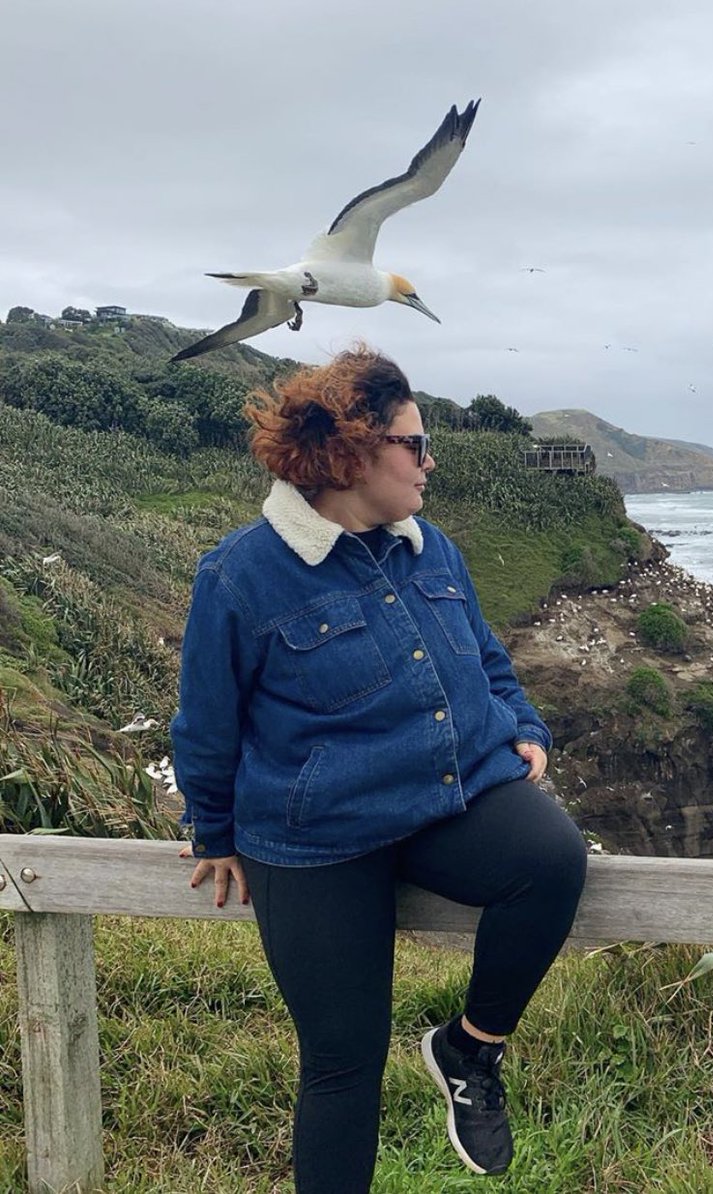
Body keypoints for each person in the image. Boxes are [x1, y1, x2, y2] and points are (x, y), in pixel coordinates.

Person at [171, 345, 588, 1188]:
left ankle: (469, 1052)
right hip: (318, 839)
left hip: (447, 795)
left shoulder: (431, 549)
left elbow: (485, 656)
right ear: (354, 454)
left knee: (552, 859)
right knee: (341, 1062)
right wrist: (213, 830)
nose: (430, 463)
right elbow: (206, 724)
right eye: (415, 443)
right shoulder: (241, 575)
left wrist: (523, 723)